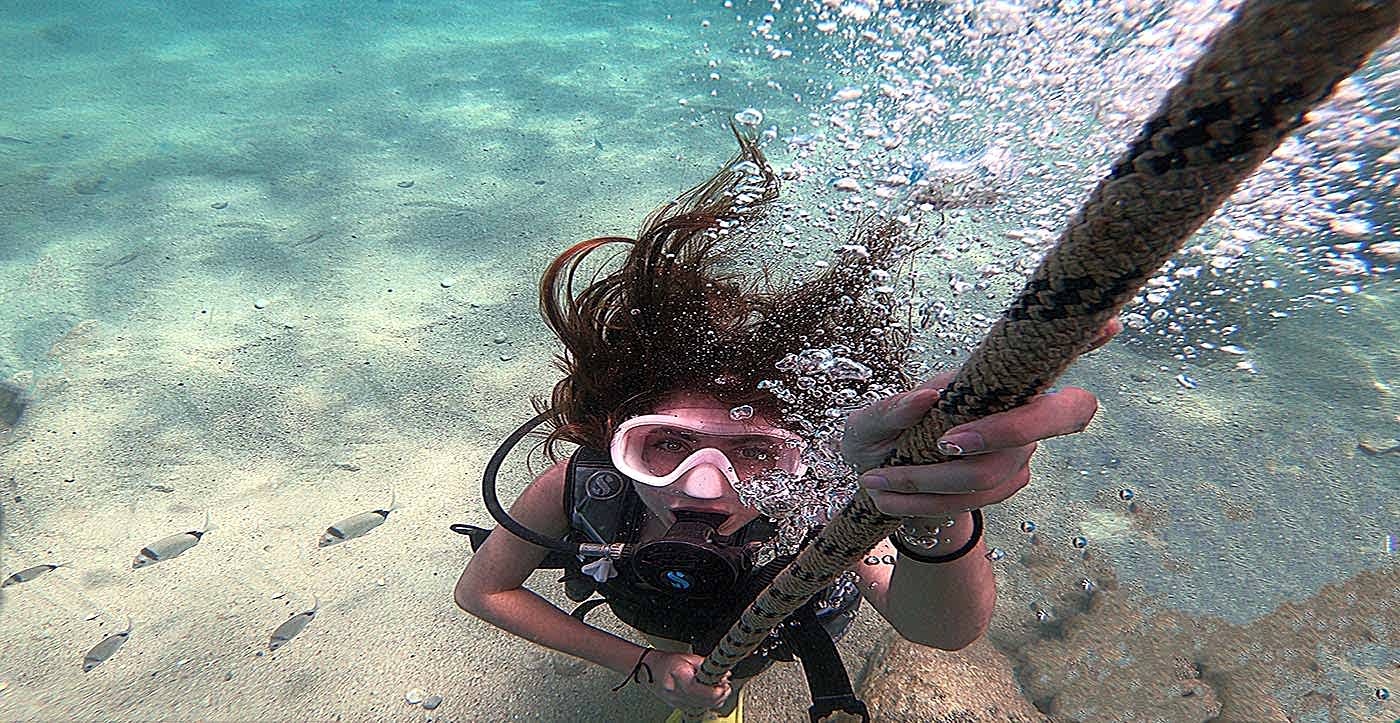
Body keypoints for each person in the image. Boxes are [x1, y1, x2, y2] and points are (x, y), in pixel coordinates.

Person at [453, 128, 1118, 722]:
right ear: (614, 436)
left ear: (802, 454)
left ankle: (723, 688)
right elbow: (482, 590)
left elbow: (941, 628)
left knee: (734, 663)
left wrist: (931, 511)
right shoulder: (583, 486)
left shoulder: (824, 506)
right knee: (675, 635)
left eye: (754, 452)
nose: (705, 487)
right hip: (652, 622)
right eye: (668, 443)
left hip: (763, 636)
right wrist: (643, 663)